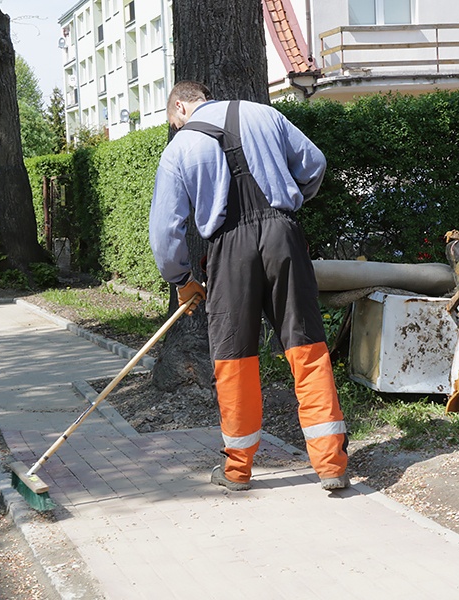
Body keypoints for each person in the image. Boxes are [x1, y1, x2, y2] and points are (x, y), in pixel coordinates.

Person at [149, 81, 349, 492]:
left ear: (181, 107)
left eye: (173, 121)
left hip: (228, 250)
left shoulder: (179, 149)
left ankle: (237, 471)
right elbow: (314, 163)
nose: (175, 127)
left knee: (234, 360)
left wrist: (181, 280)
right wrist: (288, 208)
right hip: (283, 237)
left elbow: (165, 230)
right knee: (306, 346)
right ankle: (331, 465)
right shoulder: (265, 114)